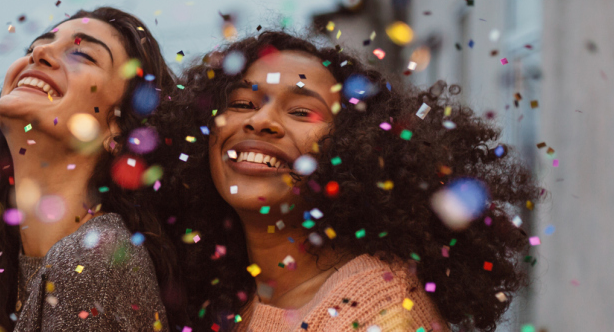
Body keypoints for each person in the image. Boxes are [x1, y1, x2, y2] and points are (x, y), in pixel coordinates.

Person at [163, 31, 542, 331]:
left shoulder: (375, 307)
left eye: (301, 111)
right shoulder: (228, 294)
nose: (260, 121)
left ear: (353, 147)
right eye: (242, 103)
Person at [0, 7, 183, 331]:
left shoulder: (95, 257)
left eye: (82, 54)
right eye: (35, 46)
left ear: (120, 128)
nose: (40, 53)